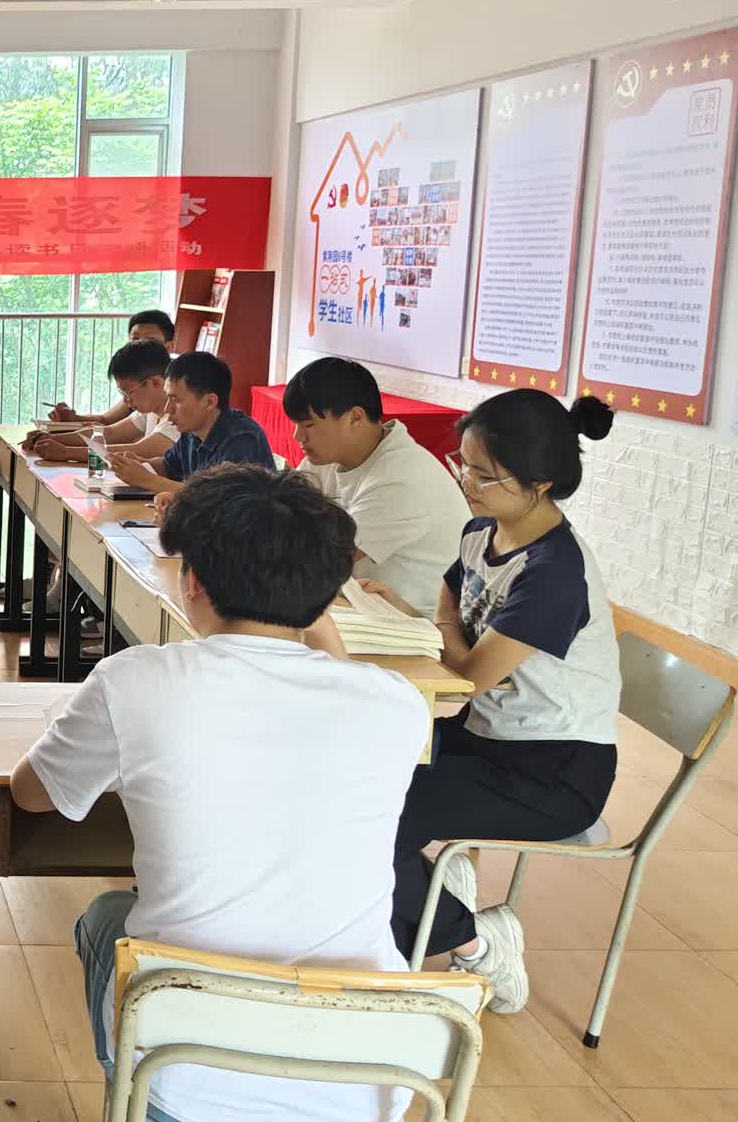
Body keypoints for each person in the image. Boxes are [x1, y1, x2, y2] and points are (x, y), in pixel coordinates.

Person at [10, 465, 427, 1122]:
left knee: (108, 918)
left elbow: (30, 795)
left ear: (193, 582)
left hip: (186, 1082)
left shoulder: (137, 681)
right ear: (325, 594)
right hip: (369, 1089)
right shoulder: (397, 705)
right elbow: (344, 686)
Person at [364, 389, 620, 1013]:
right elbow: (450, 596)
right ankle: (425, 896)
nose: (467, 483)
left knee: (374, 816)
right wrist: (432, 625)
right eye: (463, 464)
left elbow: (471, 674)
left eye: (485, 475)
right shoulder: (483, 530)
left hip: (554, 771)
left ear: (541, 483)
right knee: (356, 767)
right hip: (487, 739)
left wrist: (436, 632)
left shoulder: (555, 572)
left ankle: (475, 943)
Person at [283, 356, 465, 608]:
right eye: (296, 425)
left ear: (355, 418)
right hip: (361, 602)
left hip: (414, 619)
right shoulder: (325, 457)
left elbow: (320, 564)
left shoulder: (400, 480)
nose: (298, 436)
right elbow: (284, 520)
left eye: (308, 424)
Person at [114, 350, 273, 499]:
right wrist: (140, 464)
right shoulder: (191, 429)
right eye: (167, 398)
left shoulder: (242, 439)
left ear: (209, 402)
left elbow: (216, 500)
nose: (167, 409)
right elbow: (168, 467)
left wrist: (148, 480)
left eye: (176, 399)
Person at [25, 340, 175, 465]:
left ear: (154, 383)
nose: (125, 400)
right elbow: (110, 433)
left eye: (128, 392)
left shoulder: (177, 419)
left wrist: (66, 452)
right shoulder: (150, 411)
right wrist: (49, 438)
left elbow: (139, 451)